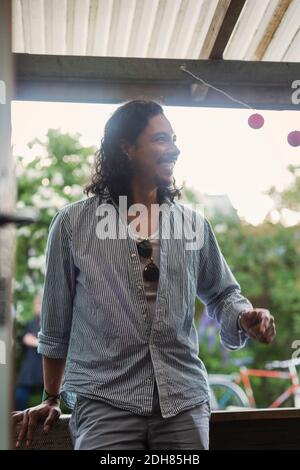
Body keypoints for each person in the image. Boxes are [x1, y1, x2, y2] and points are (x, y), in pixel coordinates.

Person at [13, 100, 276, 450]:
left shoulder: (193, 225)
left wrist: (245, 317)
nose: (175, 149)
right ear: (126, 147)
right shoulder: (73, 225)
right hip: (105, 402)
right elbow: (56, 321)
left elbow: (222, 294)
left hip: (182, 401)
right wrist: (51, 397)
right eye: (162, 139)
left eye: (175, 139)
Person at [15, 294, 44, 410]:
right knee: (19, 396)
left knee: (49, 399)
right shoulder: (32, 323)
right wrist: (43, 344)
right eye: (36, 304)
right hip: (30, 368)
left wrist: (37, 342)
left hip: (45, 368)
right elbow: (26, 339)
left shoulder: (53, 324)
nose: (37, 307)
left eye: (40, 304)